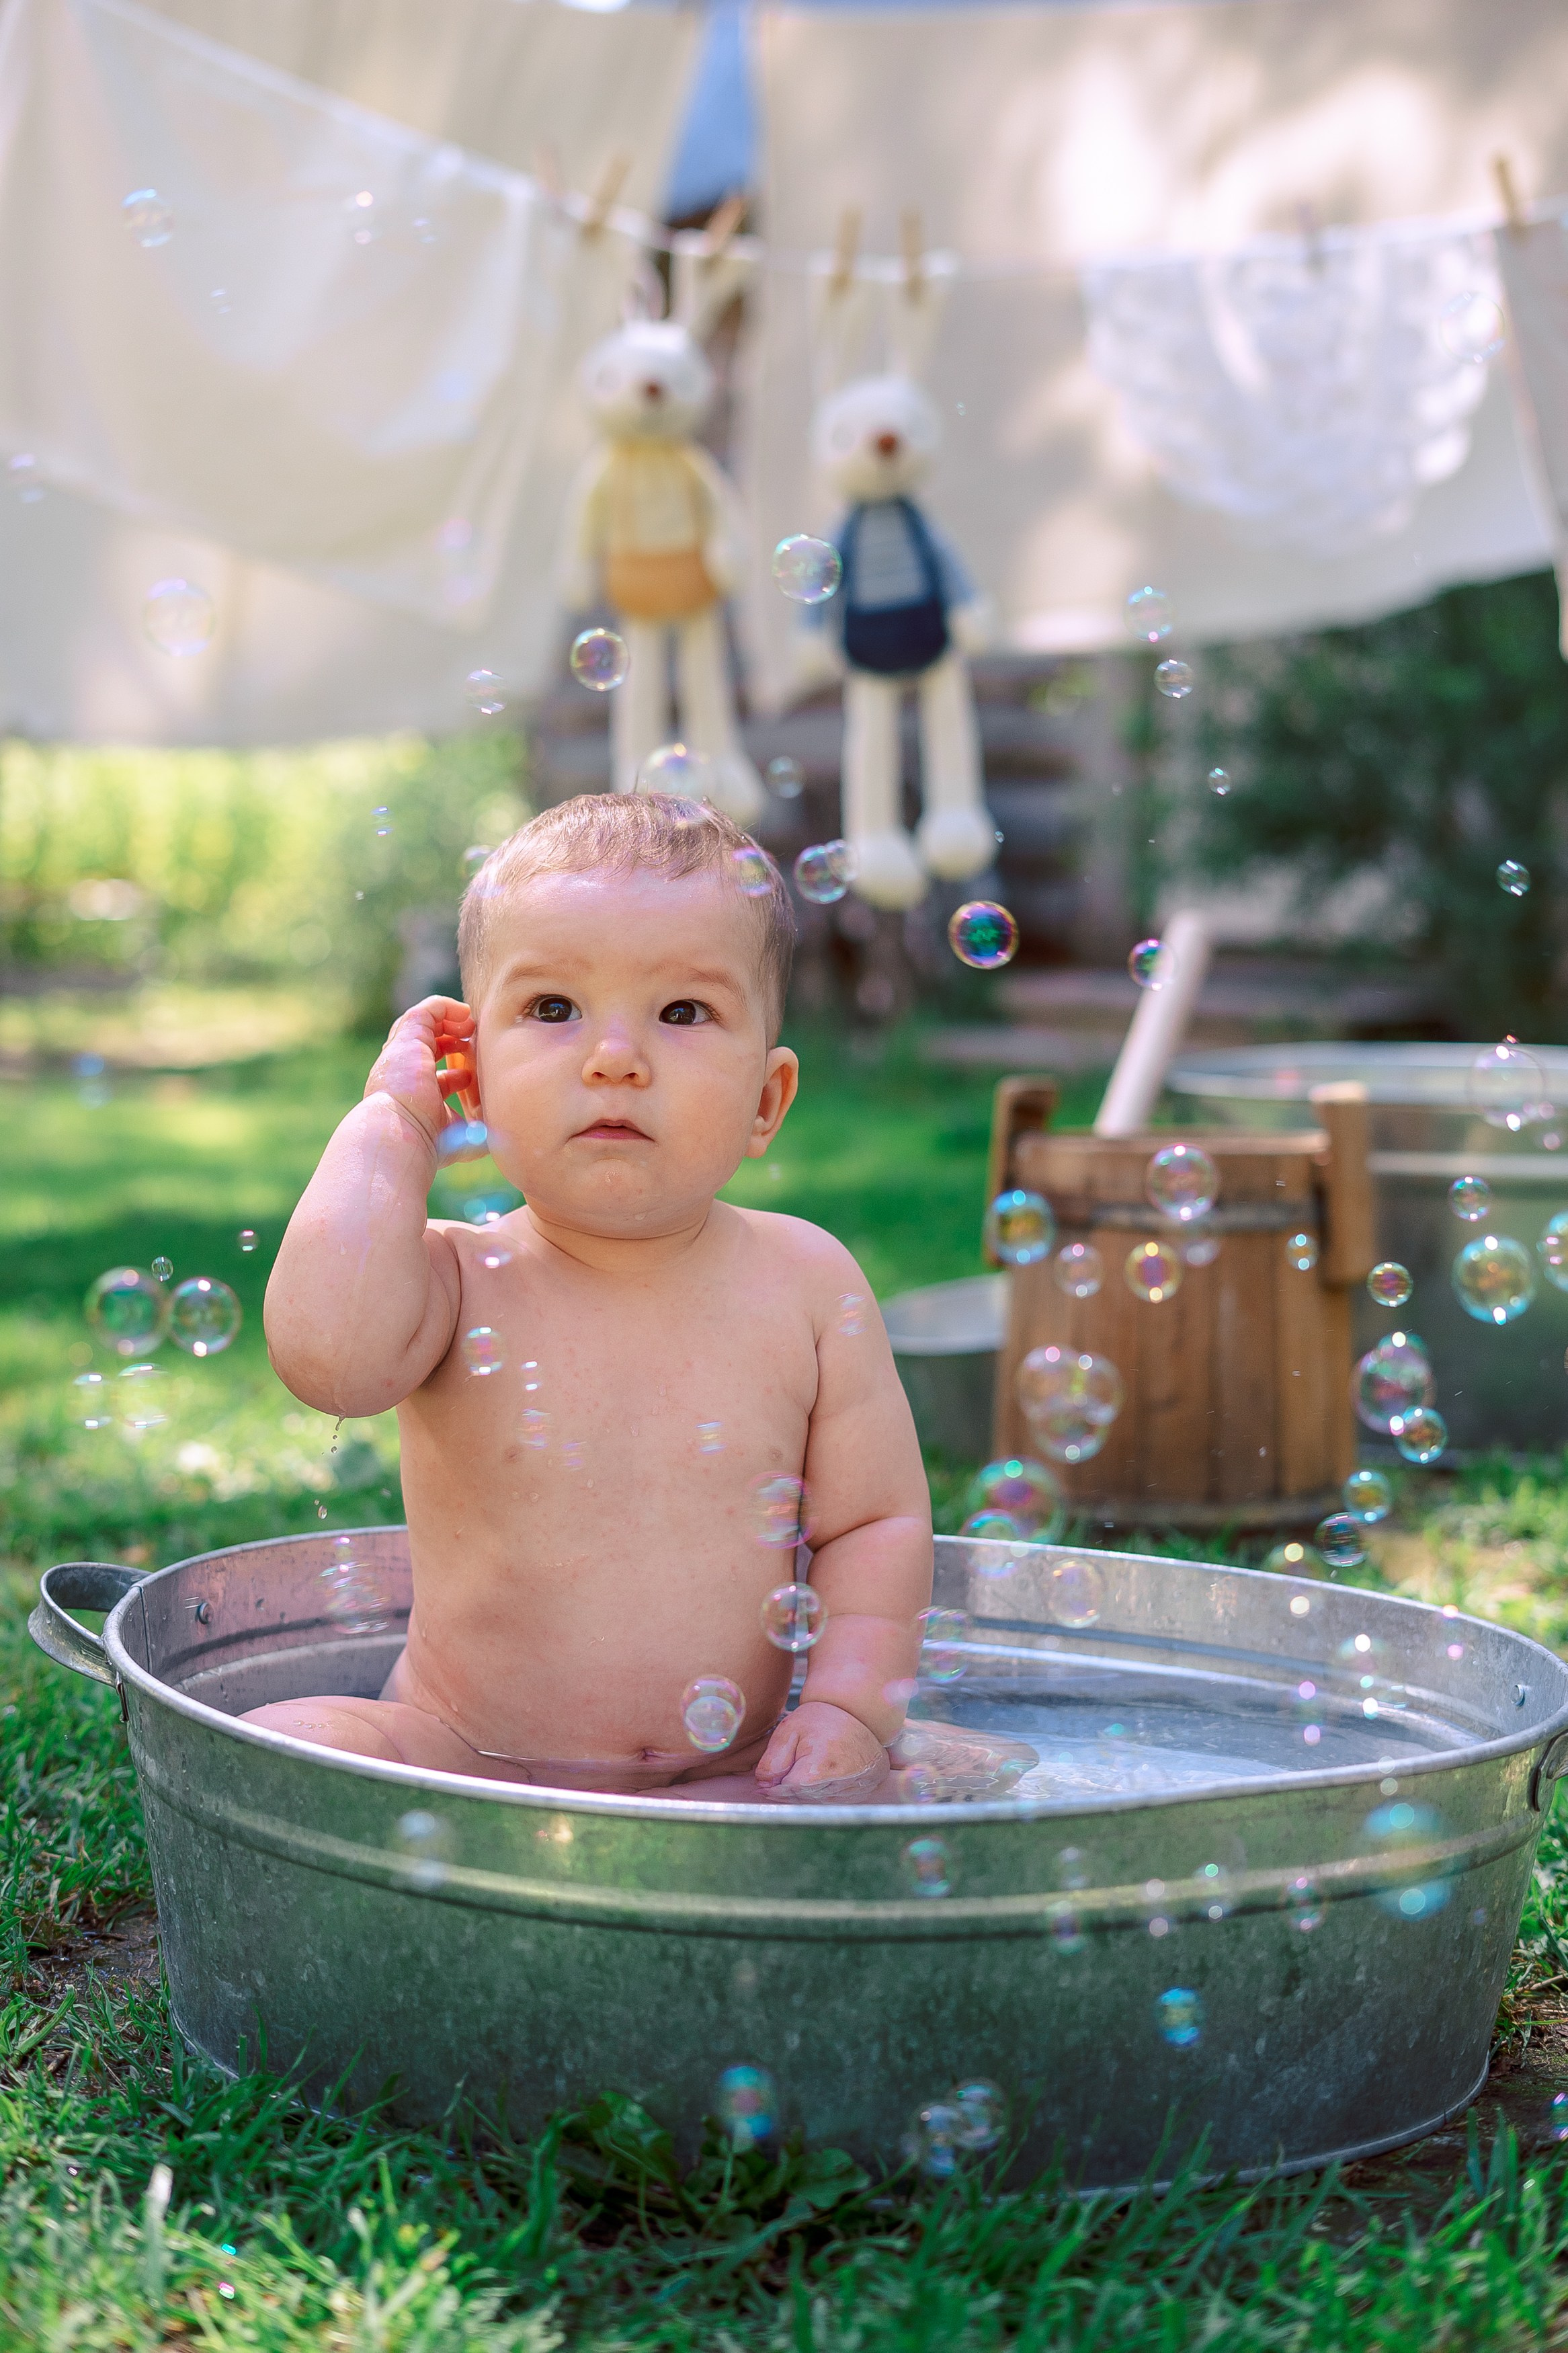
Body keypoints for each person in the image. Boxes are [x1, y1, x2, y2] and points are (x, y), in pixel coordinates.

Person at [249, 791, 932, 1800]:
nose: (615, 1058)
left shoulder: (807, 1283)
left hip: (732, 1773)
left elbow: (872, 1526)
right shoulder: (450, 1277)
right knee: (289, 1737)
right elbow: (325, 1360)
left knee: (949, 1769)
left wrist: (843, 1711)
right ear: (470, 1081)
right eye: (554, 1010)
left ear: (765, 1101)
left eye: (683, 1011)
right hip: (462, 1763)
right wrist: (392, 1120)